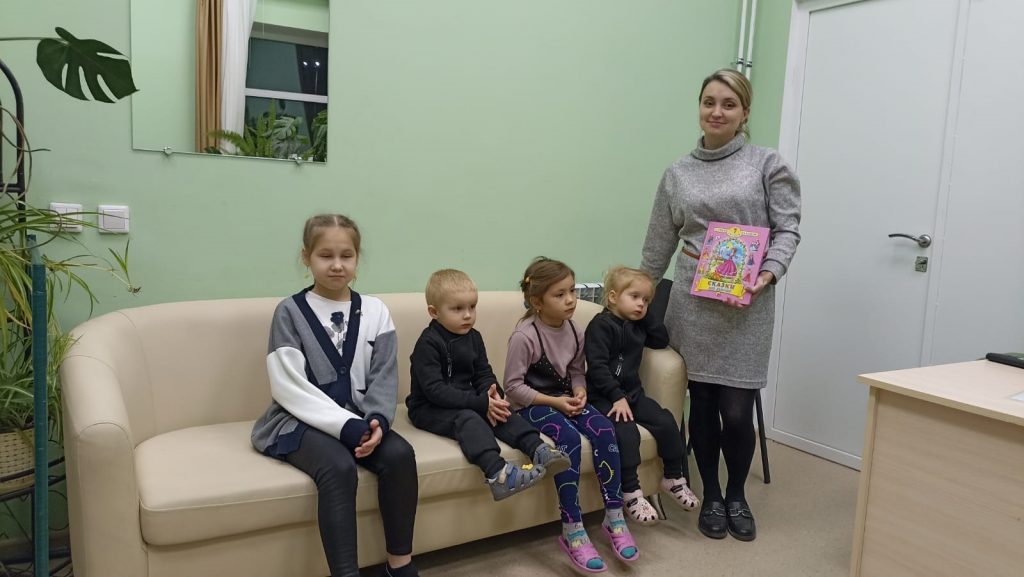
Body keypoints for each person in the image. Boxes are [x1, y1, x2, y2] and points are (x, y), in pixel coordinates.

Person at [640, 69, 801, 542]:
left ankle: (736, 494)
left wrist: (767, 274)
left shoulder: (767, 164)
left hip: (747, 305)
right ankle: (710, 493)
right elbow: (658, 244)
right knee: (704, 405)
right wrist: (638, 297)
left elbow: (788, 229)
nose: (716, 111)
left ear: (744, 112)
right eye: (708, 102)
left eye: (728, 104)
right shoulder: (678, 173)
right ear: (699, 107)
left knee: (736, 410)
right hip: (692, 304)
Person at [251, 214, 419, 577]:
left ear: (358, 258)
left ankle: (400, 567)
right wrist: (347, 427)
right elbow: (288, 385)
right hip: (299, 420)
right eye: (325, 255)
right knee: (339, 467)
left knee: (400, 455)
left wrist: (377, 420)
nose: (337, 265)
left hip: (360, 418)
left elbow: (384, 374)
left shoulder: (376, 311)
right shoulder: (289, 312)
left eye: (347, 256)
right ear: (306, 257)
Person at [504, 257, 639, 573]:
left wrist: (579, 391)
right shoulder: (525, 336)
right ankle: (572, 527)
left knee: (604, 429)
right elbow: (512, 387)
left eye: (572, 291)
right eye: (560, 294)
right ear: (537, 302)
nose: (570, 300)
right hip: (532, 405)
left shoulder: (576, 330)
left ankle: (614, 516)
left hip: (565, 399)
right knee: (568, 439)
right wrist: (555, 402)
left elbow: (577, 371)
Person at [406, 268, 570, 500]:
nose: (468, 315)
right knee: (468, 418)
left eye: (472, 307)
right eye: (457, 309)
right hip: (429, 407)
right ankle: (499, 475)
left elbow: (483, 373)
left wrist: (492, 395)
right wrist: (481, 403)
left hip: (468, 398)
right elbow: (435, 391)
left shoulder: (474, 337)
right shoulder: (428, 343)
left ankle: (539, 449)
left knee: (503, 410)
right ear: (434, 312)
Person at [584, 266, 699, 526]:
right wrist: (616, 396)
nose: (641, 304)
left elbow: (660, 339)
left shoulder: (638, 325)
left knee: (666, 420)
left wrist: (646, 316)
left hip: (633, 394)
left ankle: (673, 477)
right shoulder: (600, 326)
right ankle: (631, 491)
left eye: (646, 300)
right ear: (613, 297)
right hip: (603, 396)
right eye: (634, 297)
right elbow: (597, 367)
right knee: (626, 432)